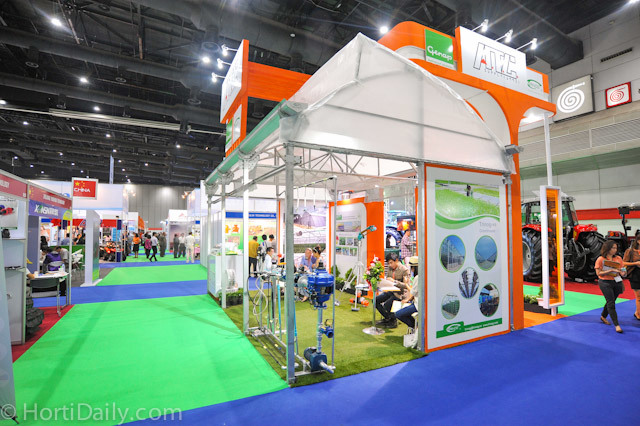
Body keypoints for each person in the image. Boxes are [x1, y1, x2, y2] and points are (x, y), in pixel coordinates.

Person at [595, 240, 626, 333]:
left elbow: (623, 270)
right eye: (613, 248)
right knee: (611, 303)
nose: (615, 250)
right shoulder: (600, 259)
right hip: (605, 282)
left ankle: (603, 316)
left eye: (616, 248)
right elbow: (598, 273)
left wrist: (623, 273)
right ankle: (617, 325)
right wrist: (610, 271)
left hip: (616, 281)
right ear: (607, 248)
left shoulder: (618, 258)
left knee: (611, 301)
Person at [375, 252, 411, 328]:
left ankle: (393, 321)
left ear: (396, 260)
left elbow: (406, 286)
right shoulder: (390, 269)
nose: (390, 265)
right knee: (375, 300)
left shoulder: (404, 270)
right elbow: (388, 280)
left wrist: (394, 282)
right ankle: (388, 318)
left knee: (387, 304)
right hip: (391, 291)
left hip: (400, 293)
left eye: (391, 263)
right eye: (388, 263)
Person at [395, 260, 420, 330]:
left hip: (417, 304)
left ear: (413, 268)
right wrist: (408, 300)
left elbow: (413, 292)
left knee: (398, 314)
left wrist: (406, 284)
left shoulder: (418, 278)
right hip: (415, 302)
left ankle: (416, 327)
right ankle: (416, 327)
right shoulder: (422, 276)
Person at [622, 233, 640, 321]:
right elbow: (623, 263)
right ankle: (638, 314)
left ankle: (637, 312)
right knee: (639, 297)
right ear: (638, 241)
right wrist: (635, 263)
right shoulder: (630, 251)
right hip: (635, 275)